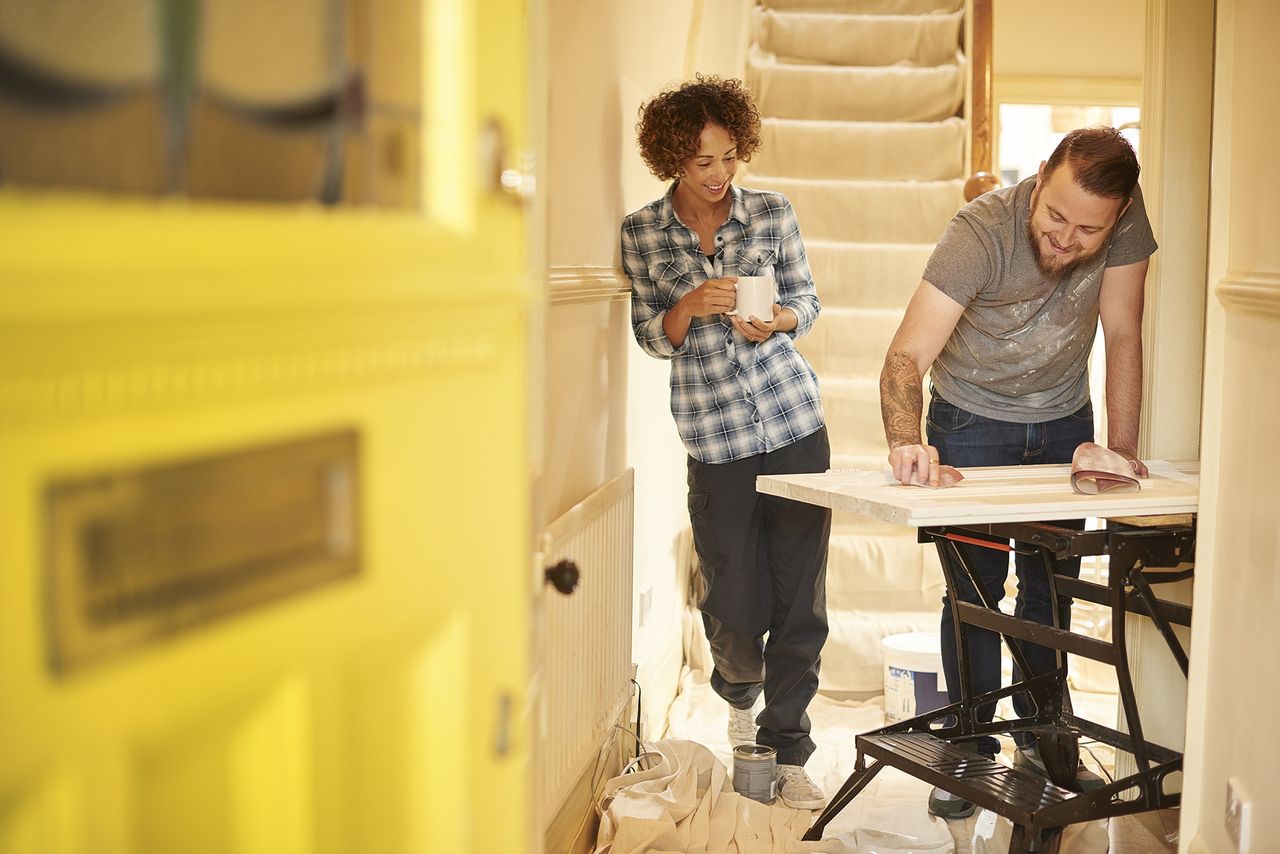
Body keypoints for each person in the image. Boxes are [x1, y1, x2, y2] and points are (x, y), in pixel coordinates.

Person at [878, 127, 1157, 819]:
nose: (1065, 239)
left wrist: (1118, 449)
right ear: (1039, 177)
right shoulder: (980, 232)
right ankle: (971, 751)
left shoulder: (1125, 221)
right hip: (970, 423)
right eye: (1055, 216)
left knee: (1051, 588)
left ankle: (1044, 738)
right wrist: (907, 441)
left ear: (1116, 217)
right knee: (974, 592)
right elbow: (906, 355)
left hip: (1065, 419)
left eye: (1086, 229)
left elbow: (1123, 330)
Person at [621, 75, 831, 811]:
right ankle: (741, 703)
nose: (719, 176)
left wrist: (772, 319)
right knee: (733, 600)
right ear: (672, 157)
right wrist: (688, 304)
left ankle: (789, 750)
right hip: (714, 439)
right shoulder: (643, 232)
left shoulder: (771, 213)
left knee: (800, 599)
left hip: (793, 424)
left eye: (730, 157)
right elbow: (652, 337)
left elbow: (804, 300)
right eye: (703, 162)